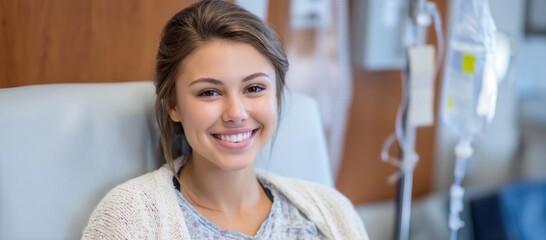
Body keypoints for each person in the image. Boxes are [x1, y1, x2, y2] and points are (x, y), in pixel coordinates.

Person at [82, 0, 368, 239]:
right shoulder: (130, 220)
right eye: (209, 92)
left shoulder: (332, 211)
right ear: (173, 106)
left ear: (276, 96)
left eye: (254, 88)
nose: (236, 113)